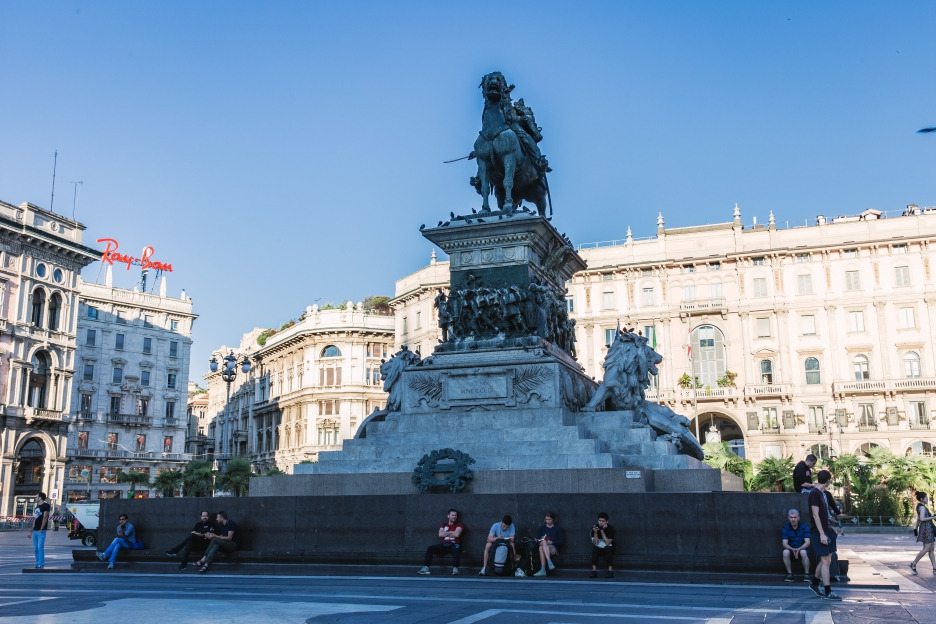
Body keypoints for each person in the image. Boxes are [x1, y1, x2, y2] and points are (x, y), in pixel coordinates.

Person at [807, 470, 841, 600]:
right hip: (818, 531)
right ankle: (828, 591)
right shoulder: (815, 493)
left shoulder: (822, 493)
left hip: (827, 529)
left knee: (827, 559)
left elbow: (822, 514)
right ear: (828, 480)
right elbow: (815, 514)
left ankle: (815, 584)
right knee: (826, 560)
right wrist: (821, 534)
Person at [418, 508, 464, 576]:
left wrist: (446, 533)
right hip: (444, 544)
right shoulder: (443, 525)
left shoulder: (459, 524)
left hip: (454, 544)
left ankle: (455, 568)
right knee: (430, 548)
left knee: (456, 548)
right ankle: (426, 568)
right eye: (452, 515)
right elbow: (440, 535)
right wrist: (451, 532)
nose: (454, 517)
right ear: (448, 516)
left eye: (455, 515)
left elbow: (457, 535)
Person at [781, 509, 811, 582]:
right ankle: (790, 574)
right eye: (791, 517)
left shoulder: (804, 527)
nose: (793, 519)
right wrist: (792, 549)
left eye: (795, 517)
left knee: (803, 552)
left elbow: (807, 542)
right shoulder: (785, 528)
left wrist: (799, 549)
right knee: (785, 552)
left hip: (803, 548)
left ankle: (807, 574)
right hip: (791, 549)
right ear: (788, 518)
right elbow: (784, 543)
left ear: (798, 518)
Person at [909, 491, 935, 575]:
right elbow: (922, 519)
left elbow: (918, 520)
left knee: (931, 549)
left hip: (927, 529)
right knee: (927, 548)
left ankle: (935, 568)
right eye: (926, 497)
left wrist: (915, 529)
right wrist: (932, 517)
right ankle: (913, 563)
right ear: (921, 499)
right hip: (927, 529)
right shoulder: (922, 508)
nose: (927, 499)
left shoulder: (920, 506)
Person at [533, 511, 565, 577]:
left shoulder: (558, 528)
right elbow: (538, 540)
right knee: (542, 545)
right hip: (542, 545)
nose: (548, 521)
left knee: (542, 546)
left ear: (553, 519)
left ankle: (543, 570)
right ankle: (549, 562)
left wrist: (552, 542)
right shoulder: (541, 528)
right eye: (546, 519)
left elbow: (561, 541)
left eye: (549, 519)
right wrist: (542, 541)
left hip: (553, 548)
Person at [26, 492, 51, 569]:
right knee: (36, 548)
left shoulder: (46, 506)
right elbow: (35, 519)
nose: (35, 498)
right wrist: (31, 531)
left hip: (41, 530)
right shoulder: (37, 507)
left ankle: (41, 563)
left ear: (40, 498)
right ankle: (37, 563)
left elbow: (45, 517)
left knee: (40, 547)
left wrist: (42, 528)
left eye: (36, 497)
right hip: (35, 530)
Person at [589, 512, 616, 579]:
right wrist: (595, 533)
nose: (601, 523)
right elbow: (595, 543)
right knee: (595, 548)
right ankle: (594, 571)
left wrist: (602, 531)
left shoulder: (611, 529)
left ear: (607, 521)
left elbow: (608, 543)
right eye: (599, 521)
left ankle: (610, 572)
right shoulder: (594, 528)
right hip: (599, 548)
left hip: (609, 547)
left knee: (608, 548)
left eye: (603, 521)